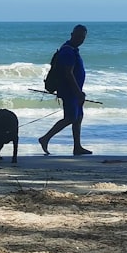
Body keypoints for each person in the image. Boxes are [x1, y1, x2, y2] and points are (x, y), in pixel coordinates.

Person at [39, 24, 92, 156]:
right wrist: (77, 92)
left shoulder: (73, 49)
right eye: (78, 36)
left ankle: (77, 147)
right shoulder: (67, 51)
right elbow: (68, 73)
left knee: (78, 117)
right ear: (72, 35)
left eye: (83, 37)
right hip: (69, 91)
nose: (81, 39)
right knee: (70, 118)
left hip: (75, 91)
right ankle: (45, 138)